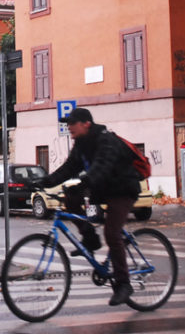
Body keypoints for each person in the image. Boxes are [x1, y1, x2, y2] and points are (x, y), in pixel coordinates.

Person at [36, 107, 141, 307]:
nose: (69, 127)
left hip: (122, 190)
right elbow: (69, 168)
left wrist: (84, 182)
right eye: (67, 124)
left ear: (86, 124)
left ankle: (123, 284)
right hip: (102, 189)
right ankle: (90, 239)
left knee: (112, 233)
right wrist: (46, 181)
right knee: (71, 197)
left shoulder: (106, 140)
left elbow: (103, 167)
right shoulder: (81, 144)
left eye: (72, 123)